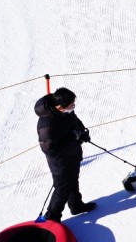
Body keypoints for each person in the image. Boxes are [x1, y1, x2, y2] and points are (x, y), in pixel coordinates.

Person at [35, 87, 96, 222]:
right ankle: (52, 218)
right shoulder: (47, 124)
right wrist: (73, 137)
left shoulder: (64, 112)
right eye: (70, 105)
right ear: (59, 107)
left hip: (72, 154)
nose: (72, 107)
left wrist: (82, 132)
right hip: (60, 162)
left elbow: (74, 120)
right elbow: (49, 149)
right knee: (61, 189)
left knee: (73, 181)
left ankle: (76, 206)